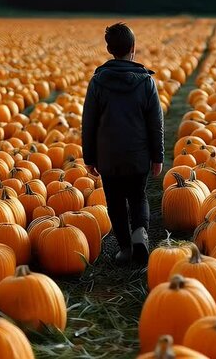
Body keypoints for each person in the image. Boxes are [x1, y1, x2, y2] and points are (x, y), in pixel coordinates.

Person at [81, 22, 164, 266]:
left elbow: (89, 122)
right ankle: (140, 234)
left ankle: (126, 248)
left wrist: (89, 158)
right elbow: (155, 123)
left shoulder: (98, 82)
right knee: (138, 197)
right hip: (137, 155)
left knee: (115, 203)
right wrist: (158, 157)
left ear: (109, 49)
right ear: (133, 48)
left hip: (108, 157)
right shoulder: (145, 81)